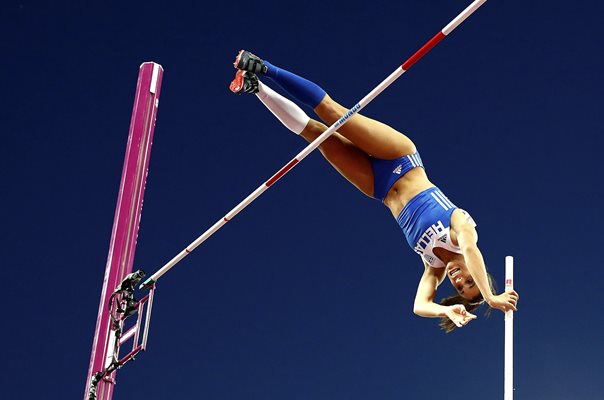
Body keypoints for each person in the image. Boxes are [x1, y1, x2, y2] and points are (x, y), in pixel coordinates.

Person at [229, 50, 519, 332]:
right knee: (333, 113)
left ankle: (257, 89)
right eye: (469, 282)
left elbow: (419, 305)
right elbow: (471, 251)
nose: (459, 281)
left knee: (318, 136)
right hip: (400, 159)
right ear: (478, 274)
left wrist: (444, 309)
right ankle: (263, 66)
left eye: (459, 288)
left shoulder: (434, 266)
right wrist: (491, 297)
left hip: (378, 187)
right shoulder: (464, 232)